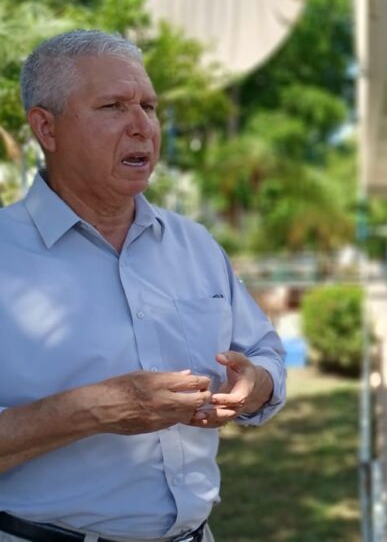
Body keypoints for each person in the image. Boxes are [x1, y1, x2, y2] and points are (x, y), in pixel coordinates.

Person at [0, 30, 287, 542]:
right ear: (46, 128)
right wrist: (96, 408)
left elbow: (265, 352)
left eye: (149, 107)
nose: (142, 127)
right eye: (113, 106)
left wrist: (254, 385)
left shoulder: (195, 244)